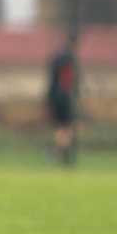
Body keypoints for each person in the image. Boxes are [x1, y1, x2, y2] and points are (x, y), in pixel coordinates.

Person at [46, 36, 77, 165]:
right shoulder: (69, 60)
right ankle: (61, 153)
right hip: (63, 96)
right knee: (66, 127)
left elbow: (52, 81)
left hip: (55, 96)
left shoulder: (55, 60)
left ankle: (59, 153)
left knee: (61, 127)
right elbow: (68, 80)